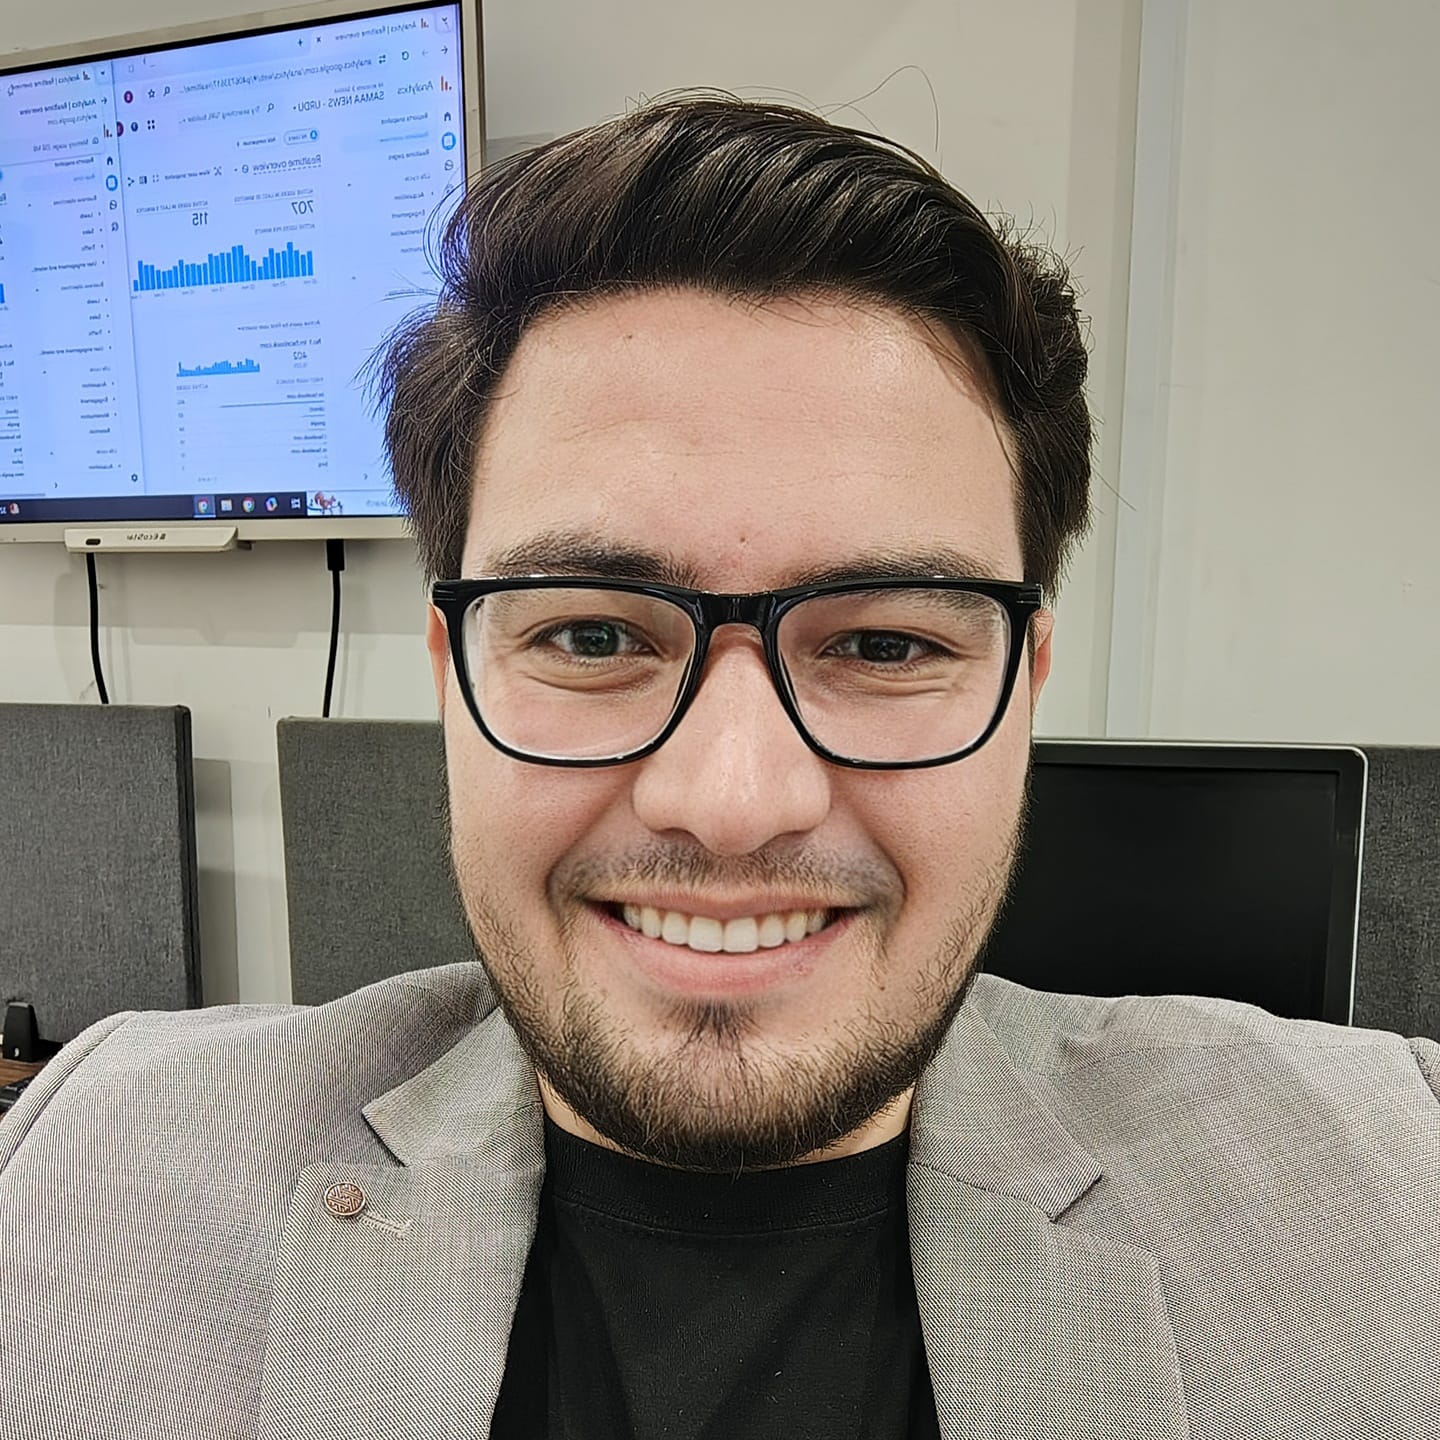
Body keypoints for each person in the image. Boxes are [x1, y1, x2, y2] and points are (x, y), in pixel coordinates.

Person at [2, 91, 1436, 1440]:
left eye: (884, 644)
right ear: (452, 680)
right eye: (590, 634)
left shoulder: (1382, 1192)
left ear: (1026, 688)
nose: (733, 801)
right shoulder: (109, 1166)